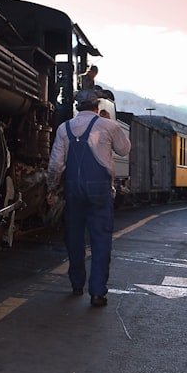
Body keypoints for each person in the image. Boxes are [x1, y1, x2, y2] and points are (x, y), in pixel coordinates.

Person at [47, 88, 132, 307]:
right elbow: (124, 150)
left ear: (77, 108)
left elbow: (56, 165)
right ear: (98, 107)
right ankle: (97, 292)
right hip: (100, 190)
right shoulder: (108, 125)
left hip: (73, 189)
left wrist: (51, 187)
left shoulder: (64, 128)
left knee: (74, 237)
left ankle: (76, 284)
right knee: (100, 240)